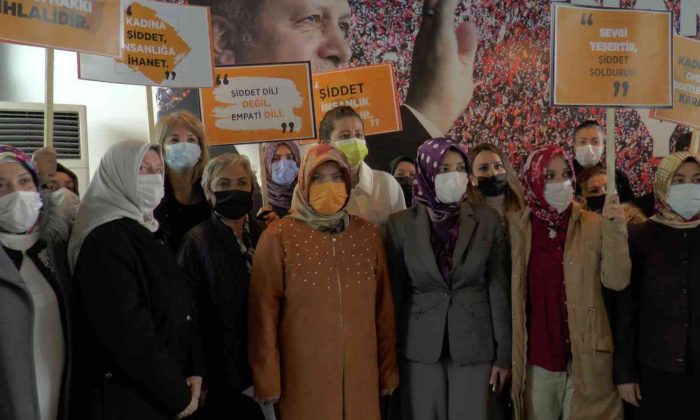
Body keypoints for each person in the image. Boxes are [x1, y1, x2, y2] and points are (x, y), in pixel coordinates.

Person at [186, 0, 477, 170]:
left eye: (344, 26)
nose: (343, 50)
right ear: (223, 39)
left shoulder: (360, 154)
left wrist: (428, 114)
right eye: (311, 19)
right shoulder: (179, 158)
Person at [248, 144, 399, 420]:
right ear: (304, 183)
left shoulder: (367, 236)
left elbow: (383, 311)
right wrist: (266, 379)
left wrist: (388, 371)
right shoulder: (278, 237)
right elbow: (263, 315)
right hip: (303, 382)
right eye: (317, 178)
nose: (328, 185)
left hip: (361, 379)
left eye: (337, 177)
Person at [68, 140, 204, 420]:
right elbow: (128, 333)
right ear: (118, 175)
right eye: (142, 169)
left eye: (157, 170)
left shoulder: (146, 231)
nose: (153, 178)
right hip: (128, 400)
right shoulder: (105, 240)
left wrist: (192, 369)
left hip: (158, 392)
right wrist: (177, 395)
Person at [386, 138, 510, 420]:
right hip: (419, 346)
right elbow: (395, 296)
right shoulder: (401, 224)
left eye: (460, 168)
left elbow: (498, 289)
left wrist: (504, 354)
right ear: (426, 173)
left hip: (475, 343)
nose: (454, 176)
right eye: (444, 169)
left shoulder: (487, 220)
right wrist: (389, 357)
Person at [507, 145, 630, 420]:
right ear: (533, 179)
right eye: (549, 175)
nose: (560, 183)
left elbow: (617, 280)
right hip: (539, 360)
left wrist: (615, 229)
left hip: (587, 358)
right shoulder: (517, 230)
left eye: (565, 174)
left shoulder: (594, 224)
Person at [178, 153, 265, 420]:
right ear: (208, 191)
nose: (234, 190)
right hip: (222, 368)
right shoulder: (196, 241)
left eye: (242, 182)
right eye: (224, 184)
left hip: (267, 360)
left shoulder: (267, 234)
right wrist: (197, 370)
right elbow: (188, 312)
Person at [615, 152, 700, 420]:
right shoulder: (640, 236)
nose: (689, 187)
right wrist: (625, 373)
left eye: (697, 180)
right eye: (679, 180)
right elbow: (627, 309)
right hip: (655, 367)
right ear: (663, 184)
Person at [0, 146, 73, 420]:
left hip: (61, 390)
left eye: (24, 181)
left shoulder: (57, 250)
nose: (16, 193)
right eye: (1, 185)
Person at [318, 106, 405, 232]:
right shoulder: (311, 189)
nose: (355, 141)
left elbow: (402, 236)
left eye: (359, 134)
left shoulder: (386, 183)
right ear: (326, 145)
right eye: (345, 136)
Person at [153, 111, 211, 253]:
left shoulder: (212, 187)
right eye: (174, 140)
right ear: (161, 148)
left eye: (191, 140)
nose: (184, 146)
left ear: (201, 147)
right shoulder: (151, 192)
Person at [572, 120, 635, 203]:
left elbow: (631, 208)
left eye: (595, 142)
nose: (589, 147)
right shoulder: (564, 178)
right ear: (574, 146)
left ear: (602, 147)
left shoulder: (618, 177)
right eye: (583, 142)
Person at [466, 142, 525, 217]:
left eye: (498, 166)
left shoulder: (526, 206)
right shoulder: (464, 214)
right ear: (472, 179)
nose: (493, 173)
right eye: (483, 168)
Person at [263, 141, 300, 217]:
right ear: (267, 164)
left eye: (289, 158)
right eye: (276, 159)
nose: (283, 166)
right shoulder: (261, 200)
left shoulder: (306, 196)